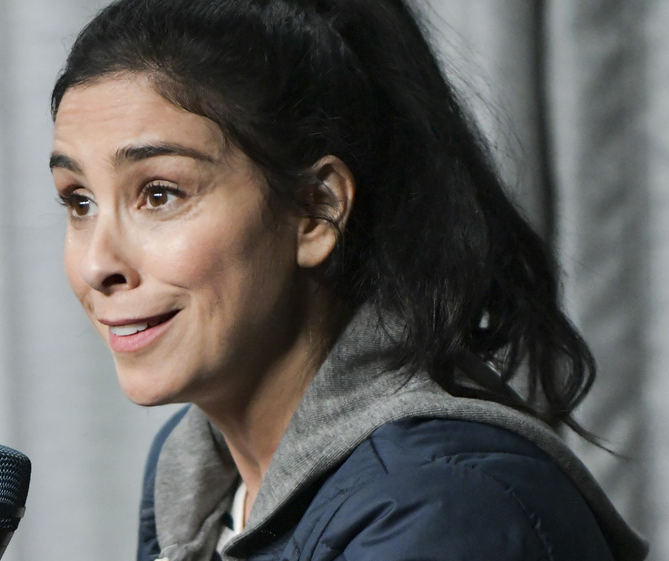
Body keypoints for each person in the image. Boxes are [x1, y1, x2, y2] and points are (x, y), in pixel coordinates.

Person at [48, 0, 648, 559]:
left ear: (316, 211)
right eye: (78, 201)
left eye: (159, 194)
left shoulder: (439, 508)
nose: (98, 264)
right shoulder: (199, 473)